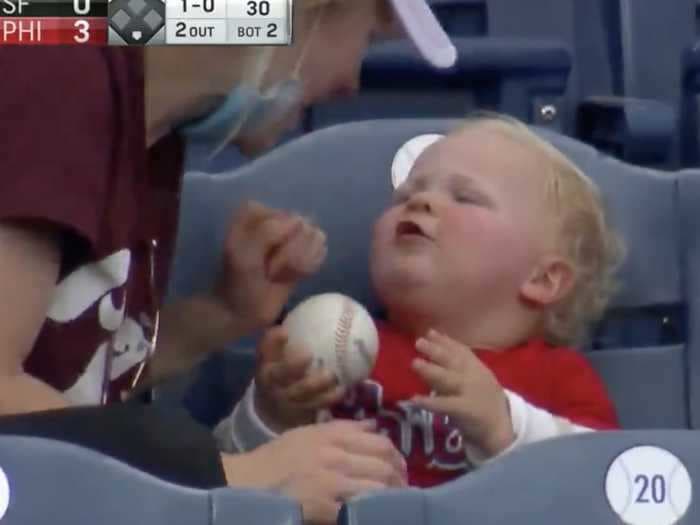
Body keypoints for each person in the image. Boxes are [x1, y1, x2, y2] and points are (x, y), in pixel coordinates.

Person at [0, 1, 456, 522]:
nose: (351, 81)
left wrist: (221, 314)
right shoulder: (51, 68)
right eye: (367, 39)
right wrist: (229, 479)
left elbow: (66, 389)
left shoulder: (152, 136)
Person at [218, 114, 624, 487]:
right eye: (405, 195)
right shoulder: (331, 344)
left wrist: (505, 426)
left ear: (542, 278)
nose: (419, 201)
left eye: (465, 197)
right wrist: (273, 414)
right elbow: (228, 477)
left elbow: (603, 484)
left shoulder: (557, 378)